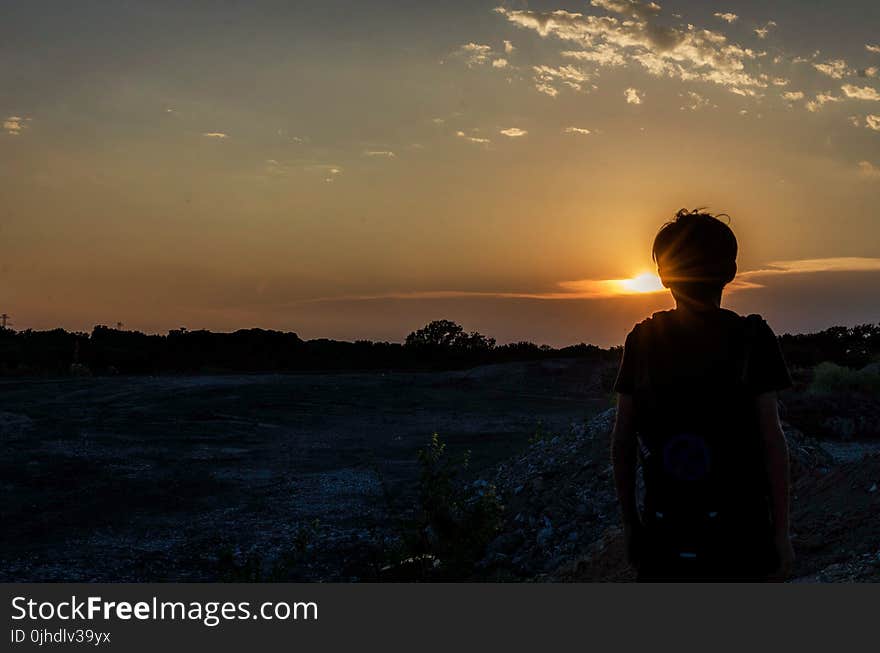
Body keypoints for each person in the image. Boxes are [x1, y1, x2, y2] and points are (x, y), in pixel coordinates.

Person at [611, 208, 795, 581]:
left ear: (663, 275)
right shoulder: (753, 339)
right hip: (743, 541)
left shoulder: (643, 341)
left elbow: (622, 442)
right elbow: (773, 441)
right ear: (730, 271)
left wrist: (631, 525)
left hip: (665, 536)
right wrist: (780, 533)